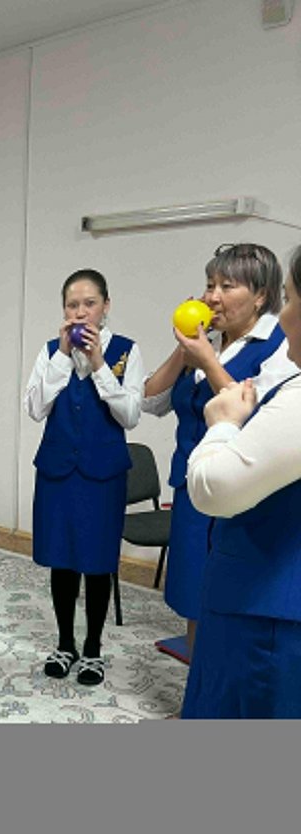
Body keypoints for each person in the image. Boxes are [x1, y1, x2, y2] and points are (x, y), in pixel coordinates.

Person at [143, 243, 295, 654]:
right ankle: (196, 687)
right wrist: (186, 348)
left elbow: (258, 417)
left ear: (261, 295)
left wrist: (208, 362)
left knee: (229, 603)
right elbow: (150, 401)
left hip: (241, 495)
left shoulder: (279, 345)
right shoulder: (208, 340)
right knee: (195, 595)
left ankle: (213, 689)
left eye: (227, 286)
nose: (212, 297)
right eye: (210, 285)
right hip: (192, 487)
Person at [180, 244, 301, 718]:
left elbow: (218, 487)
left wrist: (223, 425)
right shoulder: (222, 343)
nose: (284, 315)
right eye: (211, 284)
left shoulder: (283, 370)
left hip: (267, 603)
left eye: (290, 299)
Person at [24, 269, 144, 686]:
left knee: (97, 563)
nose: (80, 312)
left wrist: (98, 365)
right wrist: (61, 357)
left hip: (102, 475)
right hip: (57, 472)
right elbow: (35, 408)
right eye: (72, 305)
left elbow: (130, 414)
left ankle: (92, 648)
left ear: (105, 306)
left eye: (89, 303)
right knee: (61, 561)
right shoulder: (49, 351)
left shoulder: (126, 351)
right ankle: (65, 643)